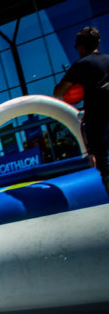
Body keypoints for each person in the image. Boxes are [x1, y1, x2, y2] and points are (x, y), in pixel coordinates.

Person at [54, 27, 109, 197]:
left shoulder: (81, 65)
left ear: (80, 47)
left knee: (105, 167)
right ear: (98, 43)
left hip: (97, 120)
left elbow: (58, 92)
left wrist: (77, 87)